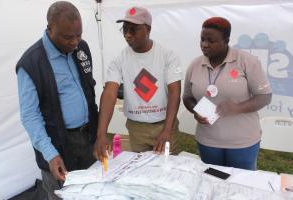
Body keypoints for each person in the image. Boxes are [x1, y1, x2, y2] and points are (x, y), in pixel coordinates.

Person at [16, 1, 98, 199]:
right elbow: (30, 115)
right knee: (62, 195)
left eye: (79, 35)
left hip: (87, 139)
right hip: (59, 145)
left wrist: (98, 133)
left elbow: (89, 90)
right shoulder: (31, 63)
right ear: (50, 29)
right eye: (68, 37)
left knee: (94, 192)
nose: (75, 42)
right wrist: (50, 154)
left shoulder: (81, 48)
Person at [183, 17, 272, 170]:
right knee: (211, 182)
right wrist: (196, 110)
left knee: (240, 186)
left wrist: (238, 108)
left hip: (242, 143)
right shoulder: (195, 64)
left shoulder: (247, 62)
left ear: (226, 40)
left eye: (211, 41)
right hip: (208, 141)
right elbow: (187, 97)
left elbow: (265, 97)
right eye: (202, 39)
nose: (204, 44)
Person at [94, 6, 183, 161]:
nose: (128, 35)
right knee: (142, 172)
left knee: (168, 170)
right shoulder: (119, 60)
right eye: (125, 29)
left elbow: (175, 92)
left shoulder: (167, 55)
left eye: (133, 30)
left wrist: (167, 130)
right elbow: (109, 94)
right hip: (137, 129)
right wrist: (101, 134)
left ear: (147, 29)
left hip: (165, 125)